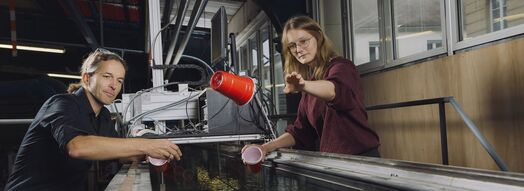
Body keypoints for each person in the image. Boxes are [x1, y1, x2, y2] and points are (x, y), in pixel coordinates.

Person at [5, 49, 182, 190]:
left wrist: (155, 152)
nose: (114, 86)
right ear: (86, 78)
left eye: (119, 80)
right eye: (107, 77)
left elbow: (119, 153)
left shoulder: (103, 116)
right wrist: (145, 145)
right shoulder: (62, 104)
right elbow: (78, 147)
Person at [242, 16, 380, 159]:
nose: (298, 49)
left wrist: (303, 85)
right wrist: (264, 147)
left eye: (304, 41)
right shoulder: (309, 85)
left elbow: (334, 90)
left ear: (318, 38)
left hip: (361, 159)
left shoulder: (341, 66)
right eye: (292, 45)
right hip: (333, 160)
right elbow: (300, 131)